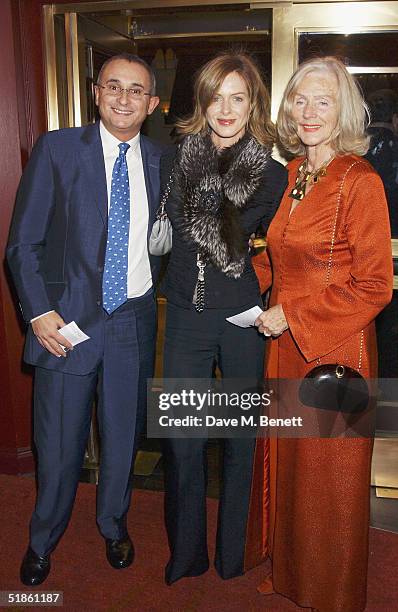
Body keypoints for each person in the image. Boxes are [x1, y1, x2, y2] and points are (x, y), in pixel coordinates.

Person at [7, 53, 162, 586]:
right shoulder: (57, 150)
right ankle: (43, 537)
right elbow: (22, 245)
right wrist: (38, 314)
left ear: (152, 103)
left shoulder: (163, 161)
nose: (123, 98)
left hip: (132, 322)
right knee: (57, 442)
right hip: (65, 324)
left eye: (136, 91)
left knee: (123, 437)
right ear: (96, 93)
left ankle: (113, 524)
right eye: (113, 87)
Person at [250, 57, 393, 611]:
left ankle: (331, 593)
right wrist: (238, 289)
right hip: (286, 345)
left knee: (328, 476)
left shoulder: (360, 180)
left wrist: (292, 315)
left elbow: (375, 285)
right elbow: (280, 257)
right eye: (301, 100)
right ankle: (291, 574)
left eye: (323, 101)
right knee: (292, 464)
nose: (309, 112)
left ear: (344, 111)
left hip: (336, 345)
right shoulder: (292, 174)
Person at [160, 51, 287, 585]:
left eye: (239, 97)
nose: (227, 108)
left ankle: (232, 554)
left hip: (241, 319)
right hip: (186, 318)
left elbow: (283, 250)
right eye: (217, 97)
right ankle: (186, 553)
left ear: (253, 102)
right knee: (183, 443)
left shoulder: (274, 176)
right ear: (202, 101)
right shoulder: (172, 160)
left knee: (239, 443)